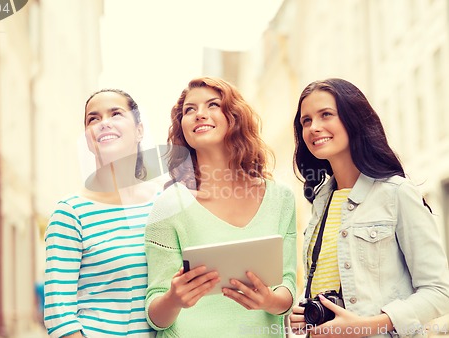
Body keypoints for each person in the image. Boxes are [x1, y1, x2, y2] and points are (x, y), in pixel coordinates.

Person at [289, 78, 449, 337]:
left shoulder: (396, 193)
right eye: (306, 121)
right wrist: (304, 310)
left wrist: (366, 326)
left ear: (354, 119)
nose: (314, 127)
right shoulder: (320, 202)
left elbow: (440, 292)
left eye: (326, 115)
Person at [144, 76, 297, 337]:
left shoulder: (280, 198)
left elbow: (289, 286)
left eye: (213, 105)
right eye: (189, 110)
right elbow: (156, 316)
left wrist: (268, 301)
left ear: (234, 117)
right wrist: (174, 298)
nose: (199, 114)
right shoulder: (167, 206)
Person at [44, 89, 160, 337]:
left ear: (139, 130)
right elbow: (59, 314)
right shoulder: (71, 212)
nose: (103, 123)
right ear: (88, 139)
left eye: (116, 113)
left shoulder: (164, 204)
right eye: (93, 119)